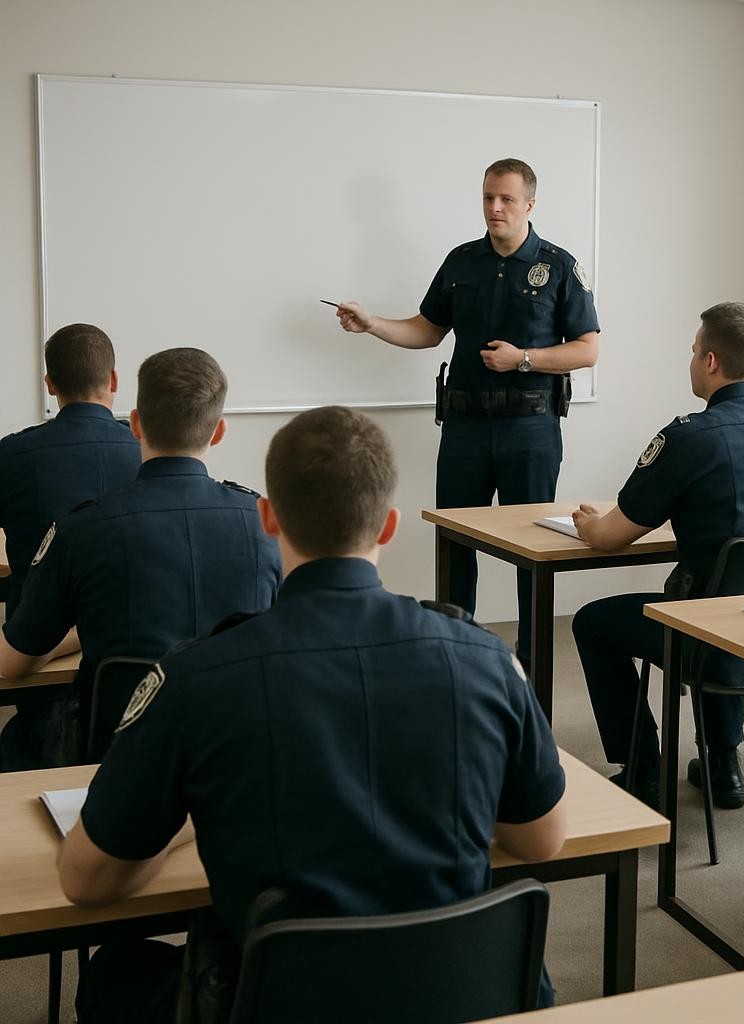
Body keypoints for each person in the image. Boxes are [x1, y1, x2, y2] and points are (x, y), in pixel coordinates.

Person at [58, 405, 568, 1023]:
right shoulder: (485, 659)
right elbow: (543, 838)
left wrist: (190, 818)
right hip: (455, 999)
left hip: (277, 1003)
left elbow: (86, 881)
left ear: (268, 518)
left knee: (113, 974)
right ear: (388, 526)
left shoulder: (196, 677)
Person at [335, 157, 600, 670]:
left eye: (505, 199)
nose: (494, 208)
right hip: (466, 428)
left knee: (533, 548)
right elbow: (427, 329)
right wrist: (371, 324)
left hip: (530, 428)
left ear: (529, 204)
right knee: (455, 544)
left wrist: (522, 359)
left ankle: (532, 659)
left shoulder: (559, 265)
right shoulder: (461, 261)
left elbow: (588, 349)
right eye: (487, 197)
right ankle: (452, 651)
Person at [571, 302, 744, 809]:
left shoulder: (689, 437)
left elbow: (612, 537)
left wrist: (587, 525)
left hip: (711, 636)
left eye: (694, 352)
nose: (691, 361)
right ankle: (723, 763)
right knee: (729, 598)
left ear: (711, 362)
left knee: (596, 622)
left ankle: (642, 767)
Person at [0, 348, 281, 770]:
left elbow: (13, 663)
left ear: (134, 424)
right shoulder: (268, 526)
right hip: (239, 763)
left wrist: (82, 622)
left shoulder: (81, 529)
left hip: (117, 767)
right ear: (219, 431)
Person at [0, 323, 140, 616]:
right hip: (125, 626)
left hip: (33, 636)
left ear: (50, 384)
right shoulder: (149, 449)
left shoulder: (10, 453)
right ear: (113, 380)